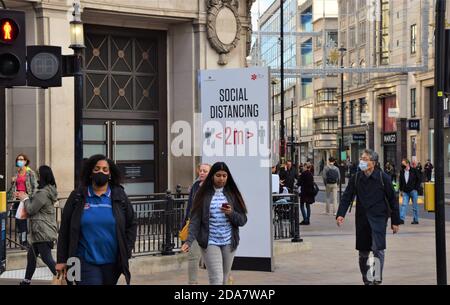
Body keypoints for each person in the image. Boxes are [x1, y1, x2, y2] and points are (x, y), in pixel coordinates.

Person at [56, 154, 137, 285]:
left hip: (112, 263)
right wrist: (61, 259)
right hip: (82, 261)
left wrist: (126, 250)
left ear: (110, 174)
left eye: (105, 170)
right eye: (97, 169)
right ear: (90, 173)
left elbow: (131, 224)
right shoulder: (77, 196)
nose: (101, 172)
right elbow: (65, 229)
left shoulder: (119, 196)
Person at [336, 149, 400, 285]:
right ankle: (367, 279)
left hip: (379, 219)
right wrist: (340, 214)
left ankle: (376, 278)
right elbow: (347, 196)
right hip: (362, 219)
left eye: (365, 159)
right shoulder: (357, 177)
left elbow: (393, 200)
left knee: (378, 250)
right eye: (362, 158)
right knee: (363, 253)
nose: (362, 161)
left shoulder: (383, 178)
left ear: (373, 163)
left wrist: (395, 221)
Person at [181, 162, 247, 285]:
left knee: (224, 279)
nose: (221, 178)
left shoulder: (232, 193)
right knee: (216, 278)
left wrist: (231, 213)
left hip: (229, 242)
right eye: (218, 175)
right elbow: (195, 220)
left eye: (224, 175)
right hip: (209, 241)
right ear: (212, 176)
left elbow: (242, 220)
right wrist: (189, 241)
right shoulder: (202, 194)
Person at [17, 165, 58, 285]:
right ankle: (26, 281)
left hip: (42, 231)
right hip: (39, 230)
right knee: (31, 257)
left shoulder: (43, 193)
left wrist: (25, 199)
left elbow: (31, 209)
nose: (36, 176)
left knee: (46, 258)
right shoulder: (45, 191)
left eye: (37, 174)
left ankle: (66, 279)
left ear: (42, 176)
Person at [183, 163, 211, 285]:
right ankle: (192, 283)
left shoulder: (214, 187)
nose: (201, 173)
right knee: (193, 256)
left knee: (213, 259)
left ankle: (222, 281)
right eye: (200, 171)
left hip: (209, 228)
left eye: (205, 171)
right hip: (194, 226)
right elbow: (189, 206)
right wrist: (185, 223)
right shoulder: (195, 186)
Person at [7, 153, 38, 247]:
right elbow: (14, 187)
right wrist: (12, 182)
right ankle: (22, 241)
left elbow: (35, 187)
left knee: (24, 221)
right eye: (18, 159)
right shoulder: (16, 173)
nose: (19, 161)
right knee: (19, 222)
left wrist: (29, 196)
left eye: (21, 159)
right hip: (17, 200)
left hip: (25, 200)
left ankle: (25, 241)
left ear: (25, 161)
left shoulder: (30, 173)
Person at [399, 159, 422, 225]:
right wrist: (401, 190)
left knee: (415, 206)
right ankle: (401, 219)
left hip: (413, 191)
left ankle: (415, 219)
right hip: (405, 192)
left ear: (407, 164)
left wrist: (416, 188)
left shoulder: (414, 170)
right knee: (404, 205)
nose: (402, 165)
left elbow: (419, 179)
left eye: (403, 164)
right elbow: (401, 181)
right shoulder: (402, 171)